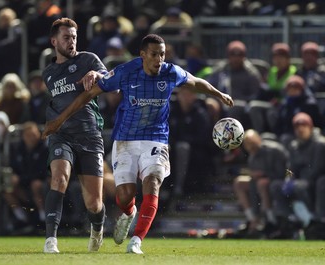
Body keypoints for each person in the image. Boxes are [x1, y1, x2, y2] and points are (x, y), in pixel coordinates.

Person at [42, 34, 234, 254]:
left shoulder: (171, 72)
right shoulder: (125, 72)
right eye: (154, 54)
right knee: (124, 195)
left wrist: (219, 94)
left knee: (152, 183)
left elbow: (195, 82)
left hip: (156, 138)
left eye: (162, 54)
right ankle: (129, 211)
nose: (159, 59)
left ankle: (137, 240)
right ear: (143, 55)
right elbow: (89, 94)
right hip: (125, 140)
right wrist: (59, 120)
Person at [41, 18, 108, 254]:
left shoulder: (88, 59)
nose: (72, 42)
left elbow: (109, 79)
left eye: (74, 37)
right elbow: (56, 103)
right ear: (54, 41)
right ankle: (51, 239)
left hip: (89, 135)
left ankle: (98, 228)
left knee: (94, 203)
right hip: (63, 136)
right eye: (67, 37)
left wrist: (96, 75)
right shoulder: (48, 73)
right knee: (59, 179)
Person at [270, 112, 325, 239]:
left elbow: (318, 168)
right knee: (276, 186)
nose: (300, 129)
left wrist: (301, 181)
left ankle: (317, 219)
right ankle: (289, 220)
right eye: (297, 126)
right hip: (300, 182)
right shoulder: (294, 146)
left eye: (303, 125)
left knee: (306, 185)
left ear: (310, 127)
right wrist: (288, 179)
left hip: (316, 181)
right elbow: (290, 168)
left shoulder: (320, 144)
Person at [233, 129, 288, 238]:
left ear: (258, 139)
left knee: (261, 183)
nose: (250, 146)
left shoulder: (274, 150)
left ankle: (271, 222)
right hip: (259, 184)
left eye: (252, 143)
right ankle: (252, 219)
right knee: (239, 182)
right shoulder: (252, 157)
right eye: (247, 144)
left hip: (281, 181)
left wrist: (263, 174)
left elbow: (284, 171)